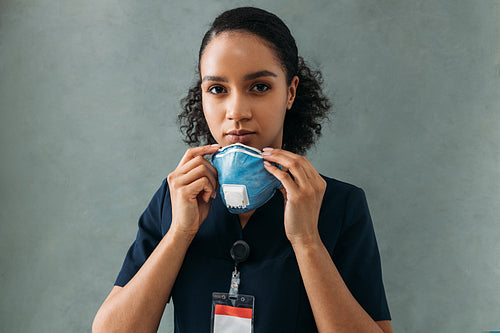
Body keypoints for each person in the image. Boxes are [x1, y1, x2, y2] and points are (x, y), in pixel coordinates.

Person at [93, 6, 393, 333]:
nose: (236, 112)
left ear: (290, 92)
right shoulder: (175, 198)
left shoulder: (339, 205)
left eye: (259, 87)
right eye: (218, 89)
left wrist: (307, 241)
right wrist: (179, 234)